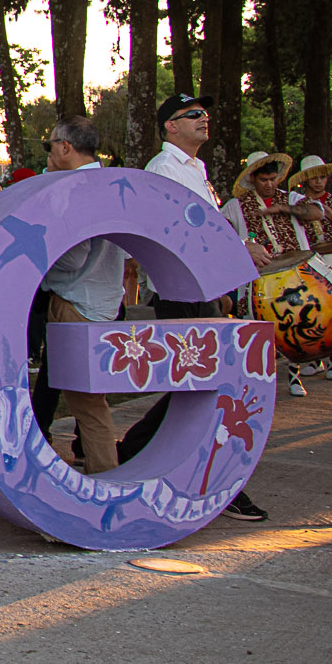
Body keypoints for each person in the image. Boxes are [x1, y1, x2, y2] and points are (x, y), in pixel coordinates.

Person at [124, 93, 267, 521]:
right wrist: (240, 248)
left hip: (199, 289)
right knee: (203, 387)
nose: (204, 119)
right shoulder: (164, 169)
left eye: (205, 113)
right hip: (179, 292)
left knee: (199, 387)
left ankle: (140, 447)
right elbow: (184, 230)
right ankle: (209, 479)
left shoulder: (194, 169)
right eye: (193, 115)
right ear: (170, 126)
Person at [40, 116, 129, 472]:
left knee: (89, 406)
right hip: (104, 299)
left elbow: (73, 253)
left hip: (78, 303)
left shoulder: (77, 189)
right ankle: (104, 474)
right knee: (91, 402)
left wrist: (38, 263)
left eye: (50, 145)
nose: (48, 152)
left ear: (65, 147)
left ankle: (106, 480)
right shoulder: (110, 183)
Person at [226, 149, 315, 397]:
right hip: (257, 278)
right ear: (253, 179)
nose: (269, 184)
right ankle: (255, 381)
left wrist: (283, 210)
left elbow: (316, 213)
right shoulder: (236, 206)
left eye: (273, 179)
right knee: (255, 326)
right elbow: (223, 235)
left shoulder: (293, 199)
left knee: (294, 322)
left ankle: (295, 377)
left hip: (293, 274)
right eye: (264, 180)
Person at [288, 155, 332, 378]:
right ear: (305, 181)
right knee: (311, 311)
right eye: (314, 178)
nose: (319, 182)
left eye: (322, 177)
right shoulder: (296, 204)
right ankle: (314, 357)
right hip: (309, 263)